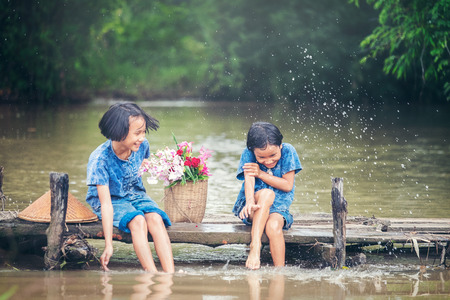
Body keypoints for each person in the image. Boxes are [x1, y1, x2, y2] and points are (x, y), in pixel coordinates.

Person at [86, 102, 174, 273]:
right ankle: (152, 274)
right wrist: (108, 244)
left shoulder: (142, 146)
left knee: (155, 218)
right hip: (111, 199)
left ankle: (170, 274)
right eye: (137, 133)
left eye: (143, 132)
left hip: (134, 193)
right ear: (119, 133)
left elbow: (141, 165)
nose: (142, 138)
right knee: (138, 220)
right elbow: (106, 204)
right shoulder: (100, 160)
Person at [233, 122, 302, 269]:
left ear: (280, 145)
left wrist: (261, 173)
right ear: (253, 151)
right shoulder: (248, 154)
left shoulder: (288, 151)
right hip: (253, 205)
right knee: (267, 194)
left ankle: (280, 272)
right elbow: (249, 180)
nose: (269, 160)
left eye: (273, 155)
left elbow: (287, 185)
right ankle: (255, 246)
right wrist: (250, 202)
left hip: (278, 209)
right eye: (262, 157)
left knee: (273, 225)